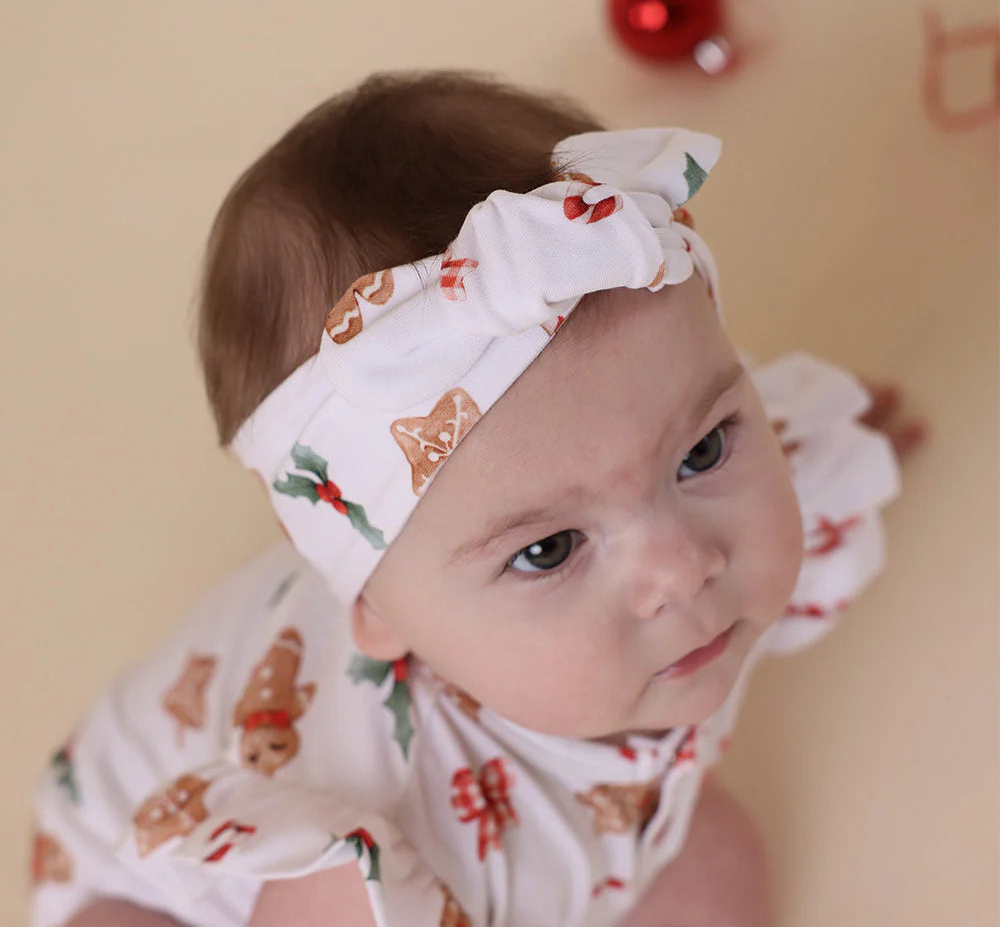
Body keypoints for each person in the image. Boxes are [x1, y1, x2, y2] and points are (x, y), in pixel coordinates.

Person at [30, 70, 924, 927]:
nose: (684, 570)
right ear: (375, 602)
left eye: (702, 449)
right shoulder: (370, 852)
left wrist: (832, 439)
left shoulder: (612, 489)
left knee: (720, 866)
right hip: (167, 883)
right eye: (549, 549)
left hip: (584, 817)